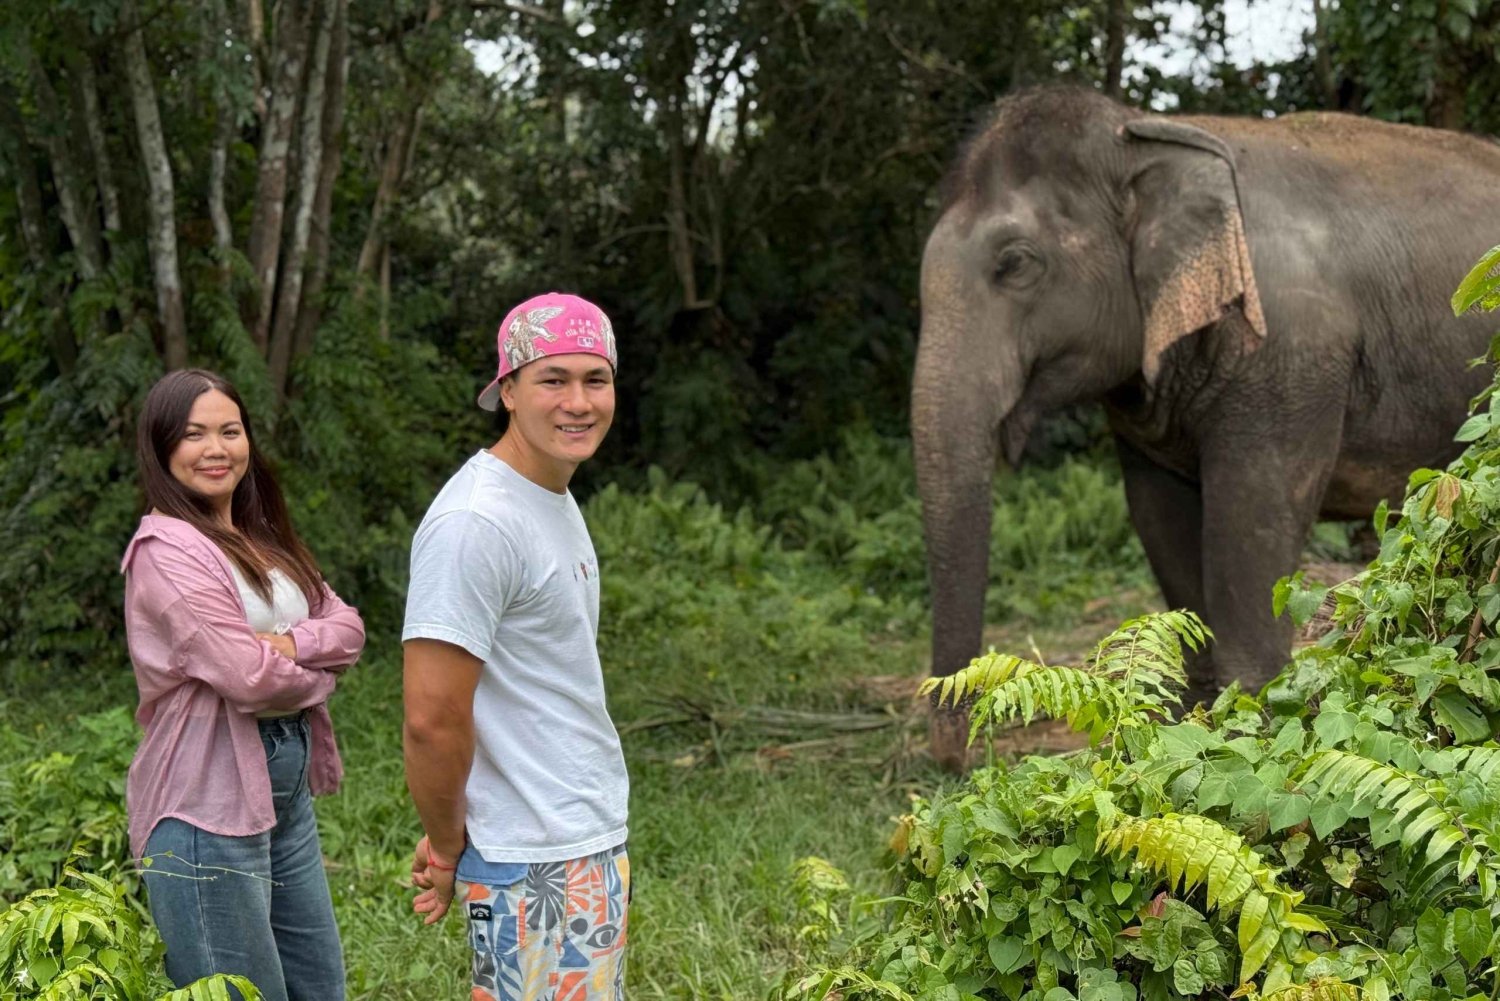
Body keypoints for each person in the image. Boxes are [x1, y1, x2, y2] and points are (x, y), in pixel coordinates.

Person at [403, 292, 630, 1000]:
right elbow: (431, 717)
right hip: (528, 860)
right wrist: (448, 842)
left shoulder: (548, 496)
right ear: (507, 390)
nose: (578, 402)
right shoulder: (477, 522)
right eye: (552, 379)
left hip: (579, 838)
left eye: (595, 379)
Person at [122, 369, 365, 1001]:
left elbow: (348, 626)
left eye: (230, 431)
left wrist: (291, 646)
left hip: (284, 800)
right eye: (194, 434)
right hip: (205, 803)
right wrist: (319, 674)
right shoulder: (165, 551)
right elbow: (249, 679)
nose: (216, 449)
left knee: (320, 986)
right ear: (161, 447)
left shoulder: (258, 536)